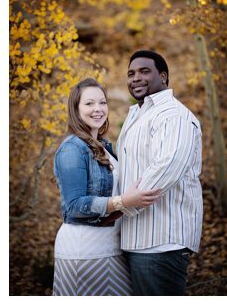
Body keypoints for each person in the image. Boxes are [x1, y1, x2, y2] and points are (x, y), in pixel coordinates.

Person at [52, 78, 160, 296]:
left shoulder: (104, 147)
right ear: (76, 109)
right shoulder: (72, 149)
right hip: (84, 251)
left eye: (102, 103)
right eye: (89, 104)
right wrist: (124, 201)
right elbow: (74, 205)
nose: (98, 109)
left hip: (109, 247)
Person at [117, 50, 204, 296]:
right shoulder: (138, 115)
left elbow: (167, 167)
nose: (136, 78)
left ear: (163, 77)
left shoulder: (173, 115)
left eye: (144, 71)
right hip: (137, 239)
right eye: (131, 73)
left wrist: (119, 208)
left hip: (160, 243)